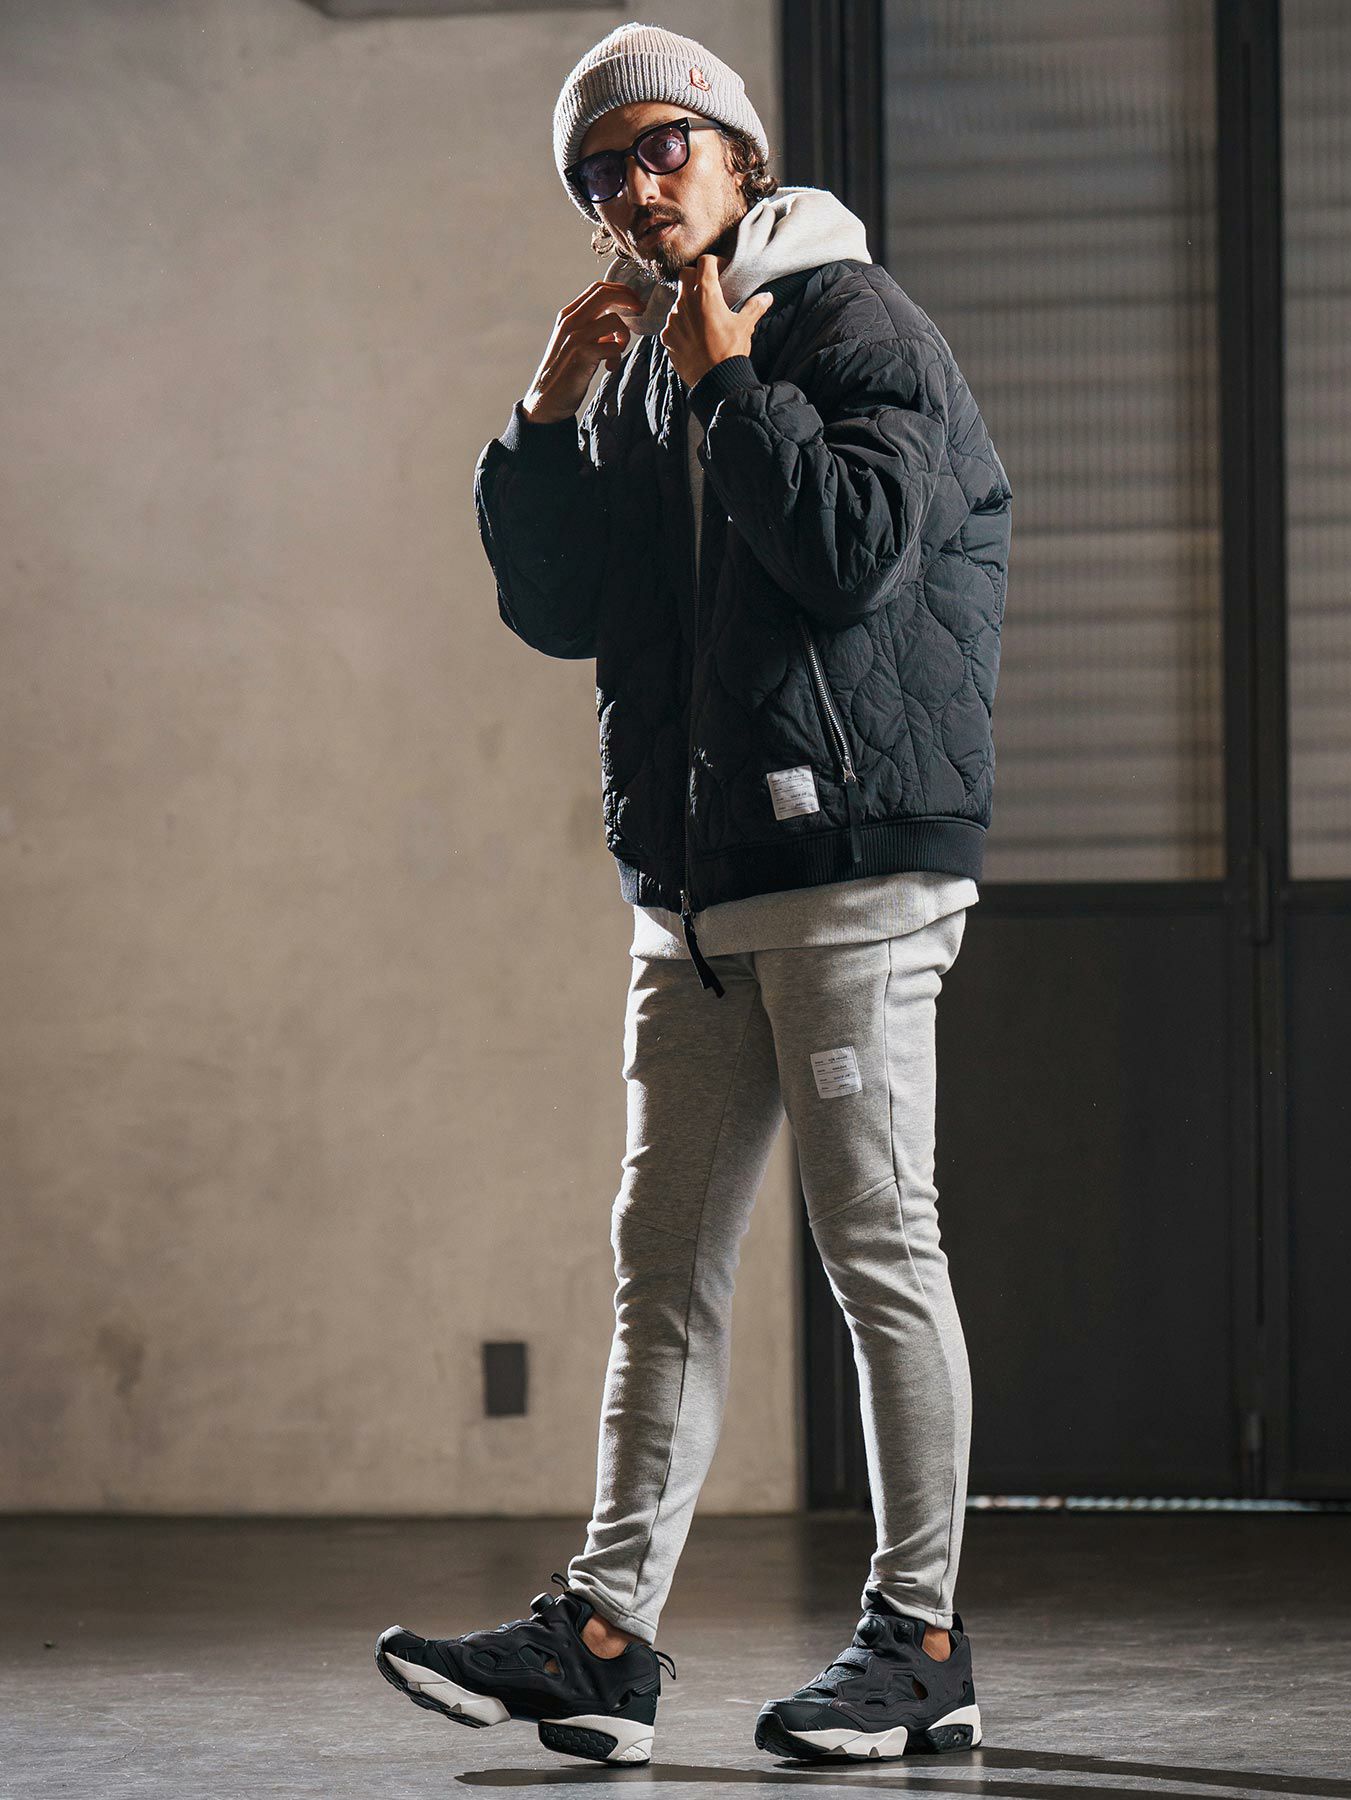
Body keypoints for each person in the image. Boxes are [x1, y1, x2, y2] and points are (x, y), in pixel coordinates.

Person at [375, 19, 1011, 1768]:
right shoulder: (657, 364)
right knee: (661, 1269)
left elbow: (854, 554)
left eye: (662, 147)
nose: (634, 187)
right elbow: (565, 610)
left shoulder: (854, 322)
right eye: (601, 173)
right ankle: (603, 1640)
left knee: (878, 1252)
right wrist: (548, 413)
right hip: (699, 894)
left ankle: (923, 1636)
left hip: (852, 873)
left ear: (737, 153)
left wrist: (733, 386)